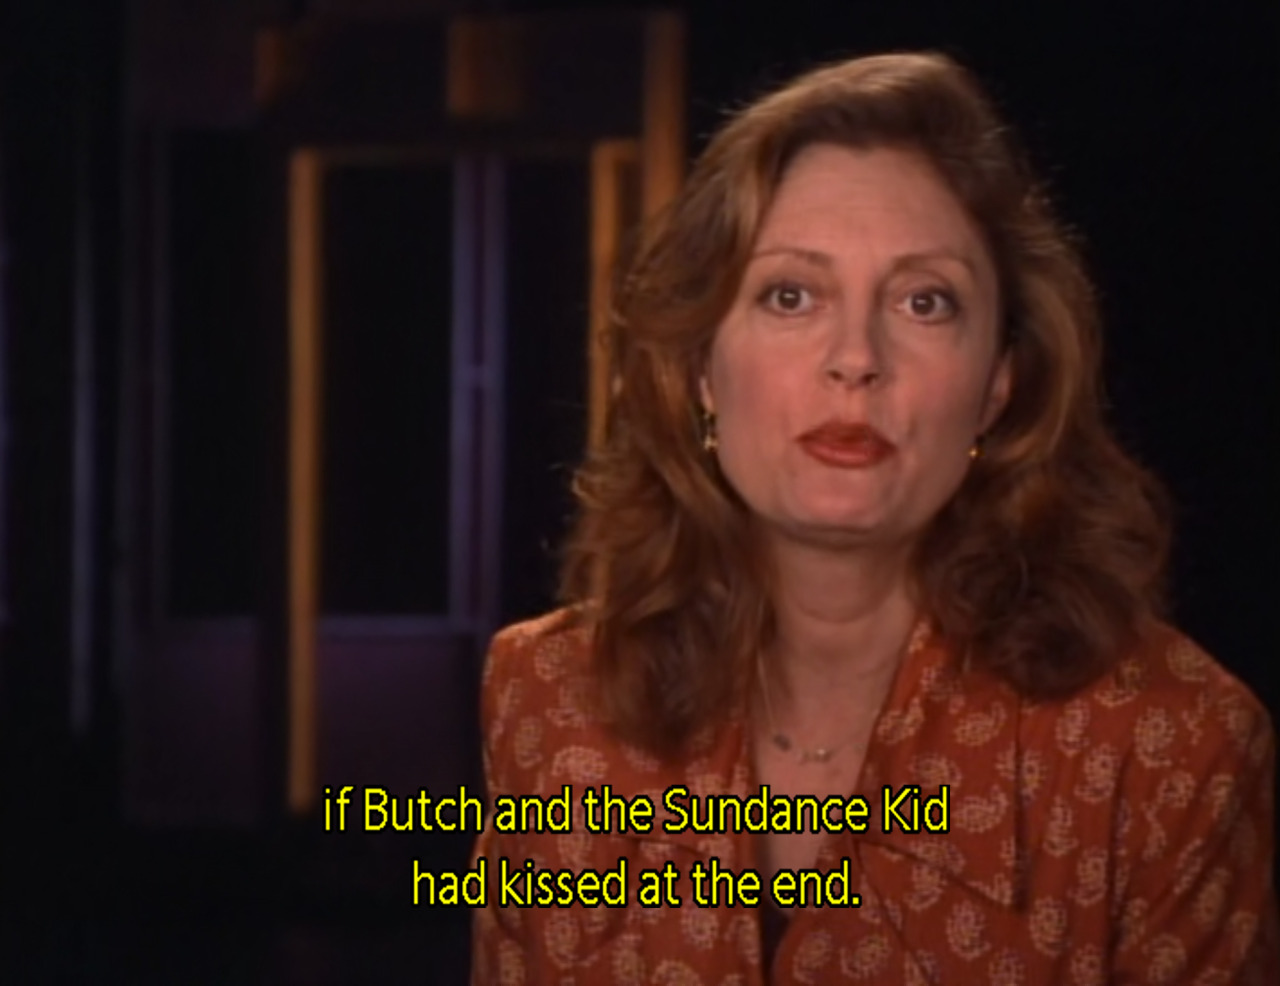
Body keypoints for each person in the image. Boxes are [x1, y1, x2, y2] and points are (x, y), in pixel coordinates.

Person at [469, 51, 1278, 984]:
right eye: (791, 296)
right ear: (700, 368)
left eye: (924, 302)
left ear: (997, 385)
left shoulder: (1173, 746)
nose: (856, 357)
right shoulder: (551, 696)